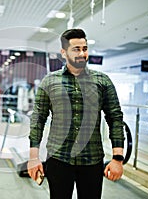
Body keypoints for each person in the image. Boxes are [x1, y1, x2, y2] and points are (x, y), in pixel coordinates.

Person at [27, 28, 125, 199]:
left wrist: (117, 158)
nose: (82, 53)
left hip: (92, 159)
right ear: (64, 53)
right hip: (58, 159)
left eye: (84, 48)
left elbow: (115, 118)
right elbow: (38, 119)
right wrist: (33, 158)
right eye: (76, 49)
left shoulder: (102, 81)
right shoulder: (50, 81)